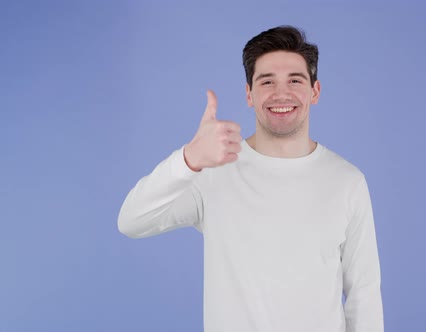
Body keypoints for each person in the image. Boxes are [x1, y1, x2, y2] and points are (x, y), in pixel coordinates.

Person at [118, 25, 384, 332]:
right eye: (267, 81)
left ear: (315, 91)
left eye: (295, 80)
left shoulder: (347, 181)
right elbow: (131, 221)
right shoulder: (215, 173)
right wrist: (188, 159)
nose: (281, 93)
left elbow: (363, 295)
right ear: (249, 94)